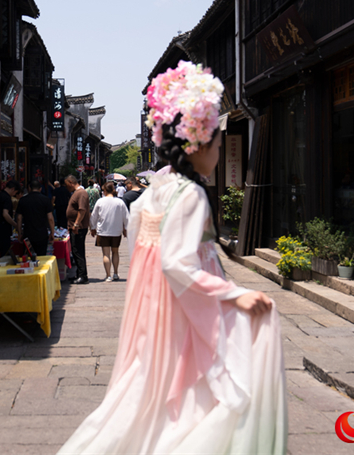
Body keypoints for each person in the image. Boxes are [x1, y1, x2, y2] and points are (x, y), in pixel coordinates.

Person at [58, 61, 286, 454]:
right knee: (218, 397)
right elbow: (177, 263)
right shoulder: (189, 194)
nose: (218, 151)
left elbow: (150, 256)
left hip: (159, 315)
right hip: (184, 317)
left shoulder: (157, 191)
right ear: (196, 143)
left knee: (150, 404)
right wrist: (234, 296)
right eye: (216, 143)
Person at [89, 182, 129, 282]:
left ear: (105, 191)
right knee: (115, 252)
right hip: (116, 231)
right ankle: (115, 273)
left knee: (106, 254)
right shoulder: (120, 202)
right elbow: (126, 217)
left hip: (103, 231)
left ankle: (108, 275)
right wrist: (126, 229)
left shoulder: (100, 201)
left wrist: (92, 228)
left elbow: (94, 216)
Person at [16, 180, 55, 256]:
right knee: (42, 256)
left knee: (28, 256)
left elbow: (19, 218)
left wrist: (20, 232)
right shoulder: (45, 200)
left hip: (28, 233)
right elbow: (50, 218)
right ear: (40, 189)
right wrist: (52, 232)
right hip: (42, 233)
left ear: (29, 188)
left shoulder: (23, 200)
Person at [65, 175, 90, 284]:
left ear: (70, 182)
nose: (66, 187)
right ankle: (79, 274)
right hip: (74, 227)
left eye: (67, 185)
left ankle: (82, 276)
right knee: (75, 251)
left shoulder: (81, 193)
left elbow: (82, 210)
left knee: (78, 251)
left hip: (78, 228)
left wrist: (76, 224)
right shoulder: (77, 193)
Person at [0, 181, 21, 260]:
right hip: (3, 228)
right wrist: (15, 225)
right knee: (5, 252)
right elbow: (5, 214)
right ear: (13, 189)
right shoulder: (7, 198)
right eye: (15, 192)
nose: (14, 195)